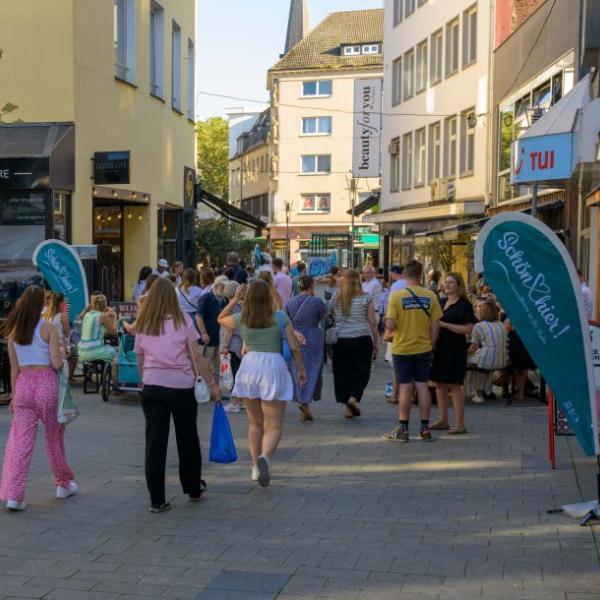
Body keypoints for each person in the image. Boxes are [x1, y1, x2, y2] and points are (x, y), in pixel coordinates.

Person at [134, 278, 220, 512]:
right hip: (181, 387)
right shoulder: (183, 320)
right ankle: (193, 487)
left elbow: (139, 359)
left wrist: (146, 379)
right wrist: (212, 384)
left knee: (155, 443)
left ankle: (157, 499)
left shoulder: (144, 322)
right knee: (187, 438)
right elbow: (197, 357)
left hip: (152, 387)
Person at [218, 281, 307, 487]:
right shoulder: (280, 317)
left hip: (249, 367)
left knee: (255, 423)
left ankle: (255, 468)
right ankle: (265, 457)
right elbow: (294, 348)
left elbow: (220, 318)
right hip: (273, 366)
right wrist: (301, 370)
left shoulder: (243, 318)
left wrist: (234, 299)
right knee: (274, 425)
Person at [0, 286, 76, 511]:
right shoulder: (48, 328)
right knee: (54, 437)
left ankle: (14, 496)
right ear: (41, 304)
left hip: (23, 385)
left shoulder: (13, 332)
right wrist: (64, 354)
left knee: (19, 443)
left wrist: (14, 396)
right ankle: (63, 484)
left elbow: (14, 369)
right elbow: (56, 362)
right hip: (46, 384)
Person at [383, 259, 442, 442]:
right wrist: (431, 343)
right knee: (422, 386)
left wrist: (387, 322)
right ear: (420, 275)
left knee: (405, 388)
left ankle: (404, 429)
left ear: (406, 275)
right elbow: (436, 325)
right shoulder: (430, 295)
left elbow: (391, 324)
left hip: (402, 348)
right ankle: (425, 429)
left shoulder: (396, 296)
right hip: (423, 347)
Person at [429, 273, 476, 434]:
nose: (446, 284)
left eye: (450, 282)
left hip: (455, 348)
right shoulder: (441, 302)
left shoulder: (464, 305)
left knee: (454, 385)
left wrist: (445, 325)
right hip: (440, 347)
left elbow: (469, 329)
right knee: (439, 384)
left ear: (458, 285)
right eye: (445, 282)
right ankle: (443, 420)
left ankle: (460, 423)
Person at [331, 269, 379, 419]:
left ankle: (347, 408)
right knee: (363, 372)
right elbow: (372, 322)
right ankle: (353, 398)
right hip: (361, 339)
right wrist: (376, 343)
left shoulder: (337, 297)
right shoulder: (366, 298)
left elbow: (333, 317)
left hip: (341, 340)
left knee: (344, 373)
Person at [285, 275, 327, 422]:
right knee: (312, 370)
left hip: (295, 339)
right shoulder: (317, 302)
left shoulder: (288, 303)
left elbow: (286, 322)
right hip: (314, 338)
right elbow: (324, 315)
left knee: (297, 370)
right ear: (311, 286)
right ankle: (305, 401)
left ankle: (303, 400)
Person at [466, 299, 508, 403]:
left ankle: (476, 392)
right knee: (482, 359)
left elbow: (473, 347)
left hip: (487, 359)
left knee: (466, 360)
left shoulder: (479, 326)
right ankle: (487, 390)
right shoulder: (502, 325)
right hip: (502, 359)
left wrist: (464, 353)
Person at [220, 280, 244, 413]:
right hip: (241, 341)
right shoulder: (242, 305)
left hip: (233, 343)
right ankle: (242, 400)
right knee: (239, 372)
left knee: (234, 374)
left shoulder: (231, 306)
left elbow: (229, 329)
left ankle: (235, 402)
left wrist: (225, 346)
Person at [197, 276, 227, 376]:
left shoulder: (224, 299)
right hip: (208, 340)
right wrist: (204, 333)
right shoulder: (206, 297)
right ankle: (205, 390)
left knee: (217, 369)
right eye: (222, 287)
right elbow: (199, 317)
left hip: (219, 339)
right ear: (215, 286)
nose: (224, 290)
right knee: (206, 367)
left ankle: (215, 389)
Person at [77, 294, 118, 363]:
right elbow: (114, 333)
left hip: (81, 351)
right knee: (115, 352)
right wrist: (115, 316)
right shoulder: (102, 316)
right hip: (93, 351)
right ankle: (114, 373)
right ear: (105, 305)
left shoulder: (87, 314)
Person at [176, 268, 203, 333]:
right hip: (195, 317)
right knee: (194, 340)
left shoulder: (176, 290)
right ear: (194, 278)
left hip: (180, 317)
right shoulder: (199, 291)